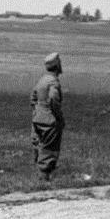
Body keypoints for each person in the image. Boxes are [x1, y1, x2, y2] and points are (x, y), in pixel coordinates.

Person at [30, 52, 65, 181]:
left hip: (38, 118)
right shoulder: (53, 82)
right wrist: (58, 117)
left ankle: (39, 177)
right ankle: (44, 181)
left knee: (39, 147)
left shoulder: (42, 80)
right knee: (49, 151)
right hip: (50, 120)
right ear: (57, 66)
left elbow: (33, 98)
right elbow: (54, 99)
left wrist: (37, 112)